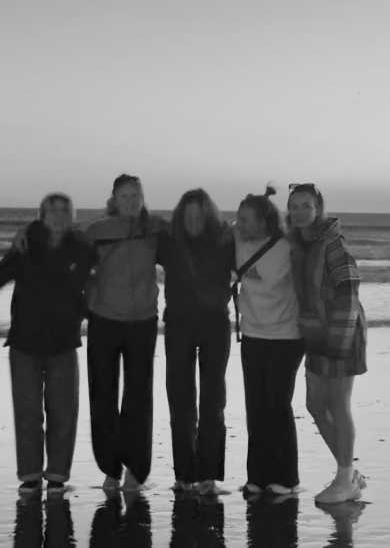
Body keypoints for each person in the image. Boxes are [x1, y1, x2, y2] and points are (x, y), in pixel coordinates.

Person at [0, 192, 95, 497]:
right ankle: (30, 476)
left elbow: (96, 282)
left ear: (72, 217)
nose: (59, 216)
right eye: (53, 210)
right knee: (28, 413)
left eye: (65, 211)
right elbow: (0, 273)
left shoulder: (82, 248)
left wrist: (92, 314)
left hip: (64, 341)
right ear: (42, 215)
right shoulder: (26, 246)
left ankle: (57, 476)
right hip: (25, 341)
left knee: (63, 411)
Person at [83, 173, 169, 491]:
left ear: (142, 198)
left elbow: (191, 245)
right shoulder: (97, 230)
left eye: (136, 196)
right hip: (104, 320)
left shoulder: (156, 227)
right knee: (103, 395)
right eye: (125, 196)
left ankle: (136, 469)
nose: (131, 202)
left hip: (143, 321)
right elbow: (69, 259)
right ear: (114, 199)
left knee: (139, 396)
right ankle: (110, 468)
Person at [286, 183, 368, 504]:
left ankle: (345, 479)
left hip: (342, 332)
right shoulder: (300, 243)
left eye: (306, 206)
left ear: (318, 209)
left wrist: (339, 340)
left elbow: (349, 291)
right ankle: (349, 473)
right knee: (315, 405)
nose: (299, 212)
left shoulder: (332, 244)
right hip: (316, 334)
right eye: (294, 206)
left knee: (338, 405)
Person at [160, 188, 235, 495]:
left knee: (213, 400)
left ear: (209, 217)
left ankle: (209, 475)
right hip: (178, 325)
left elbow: (256, 247)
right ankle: (184, 475)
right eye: (188, 216)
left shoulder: (225, 240)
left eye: (199, 216)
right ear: (180, 216)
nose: (193, 221)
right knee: (180, 399)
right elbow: (130, 240)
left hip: (215, 325)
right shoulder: (169, 241)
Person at [234, 186, 303, 496]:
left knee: (278, 406)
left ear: (264, 221)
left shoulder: (287, 247)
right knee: (256, 407)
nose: (240, 224)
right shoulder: (237, 239)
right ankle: (257, 477)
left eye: (246, 219)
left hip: (286, 337)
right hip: (252, 335)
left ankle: (286, 479)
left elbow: (306, 282)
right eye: (239, 218)